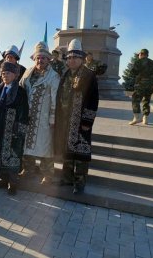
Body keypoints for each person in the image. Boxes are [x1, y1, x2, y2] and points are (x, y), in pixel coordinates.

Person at [54, 39, 99, 194]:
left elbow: (93, 100)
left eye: (75, 58)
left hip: (80, 121)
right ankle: (66, 178)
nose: (71, 60)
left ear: (81, 58)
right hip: (65, 120)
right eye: (69, 58)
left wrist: (88, 120)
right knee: (67, 150)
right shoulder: (66, 74)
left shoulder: (89, 75)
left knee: (80, 152)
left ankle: (79, 183)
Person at [0, 62, 29, 195]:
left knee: (12, 154)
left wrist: (19, 131)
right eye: (3, 73)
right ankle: (2, 179)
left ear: (15, 75)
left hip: (12, 129)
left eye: (8, 73)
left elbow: (23, 111)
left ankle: (12, 183)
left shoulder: (20, 91)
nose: (5, 76)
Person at [19, 42, 60, 184]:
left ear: (48, 59)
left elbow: (55, 99)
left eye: (43, 58)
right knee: (27, 144)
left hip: (43, 118)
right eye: (38, 58)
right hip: (27, 117)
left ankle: (47, 175)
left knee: (45, 147)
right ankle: (28, 170)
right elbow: (20, 89)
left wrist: (53, 118)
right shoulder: (27, 73)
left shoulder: (53, 76)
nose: (40, 60)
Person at [129, 48, 153, 125]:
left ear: (141, 54)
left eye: (139, 55)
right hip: (150, 85)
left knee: (135, 99)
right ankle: (145, 118)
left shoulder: (138, 62)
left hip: (141, 84)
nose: (138, 56)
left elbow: (133, 72)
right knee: (146, 101)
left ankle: (137, 117)